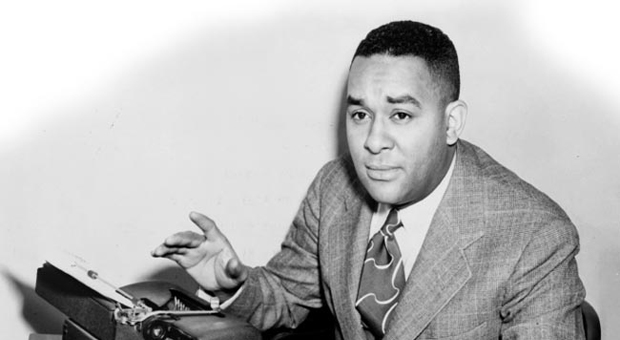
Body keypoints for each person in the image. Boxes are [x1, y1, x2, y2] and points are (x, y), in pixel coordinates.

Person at [152, 21, 586, 339]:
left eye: (401, 115)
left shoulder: (534, 235)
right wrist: (236, 284)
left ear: (451, 123)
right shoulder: (334, 188)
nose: (373, 142)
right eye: (360, 114)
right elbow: (286, 295)